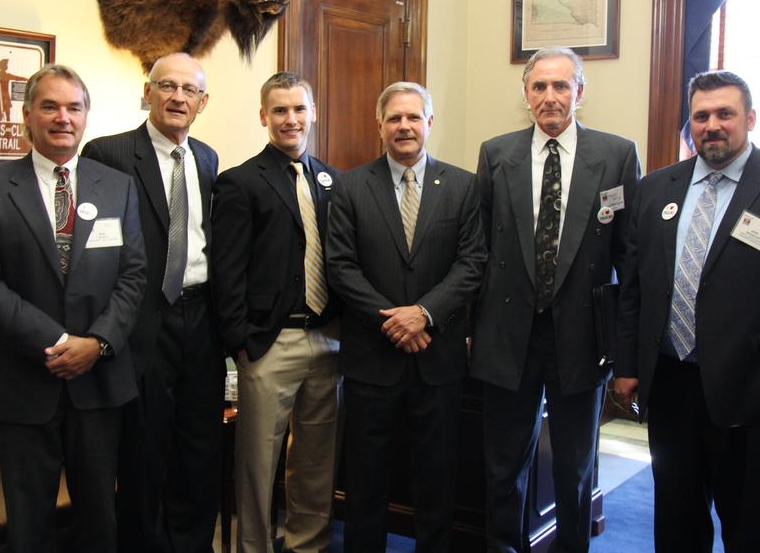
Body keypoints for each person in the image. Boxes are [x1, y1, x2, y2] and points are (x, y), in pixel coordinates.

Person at [613, 70, 760, 553]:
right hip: (673, 386)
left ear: (750, 119)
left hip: (756, 392)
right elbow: (635, 288)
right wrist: (628, 366)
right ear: (689, 125)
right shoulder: (656, 189)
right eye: (700, 116)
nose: (712, 125)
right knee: (676, 519)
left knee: (753, 526)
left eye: (725, 114)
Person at [0, 64, 146, 553]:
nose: (63, 117)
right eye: (50, 106)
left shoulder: (116, 186)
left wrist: (98, 343)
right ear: (27, 116)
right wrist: (61, 343)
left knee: (100, 518)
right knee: (29, 523)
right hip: (22, 380)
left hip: (100, 381)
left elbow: (133, 275)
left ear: (86, 118)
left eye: (74, 107)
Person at [472, 47, 641, 552]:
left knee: (574, 468)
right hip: (508, 336)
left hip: (582, 337)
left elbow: (630, 257)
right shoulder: (495, 154)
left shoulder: (616, 154)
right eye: (540, 87)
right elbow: (478, 250)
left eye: (561, 86)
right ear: (526, 94)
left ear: (580, 93)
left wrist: (626, 348)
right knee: (504, 467)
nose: (550, 96)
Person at [326, 81, 487, 553]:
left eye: (413, 117)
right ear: (379, 125)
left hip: (438, 361)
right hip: (371, 363)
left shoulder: (462, 186)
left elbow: (472, 262)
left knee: (437, 477)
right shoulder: (351, 185)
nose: (404, 127)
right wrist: (393, 322)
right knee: (366, 479)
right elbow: (340, 266)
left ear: (429, 123)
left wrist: (424, 314)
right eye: (394, 118)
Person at [82, 52, 224, 553]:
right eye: (167, 86)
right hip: (142, 320)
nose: (177, 98)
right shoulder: (109, 153)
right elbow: (94, 248)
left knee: (198, 445)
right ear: (148, 92)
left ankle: (190, 543)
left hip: (201, 318)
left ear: (202, 102)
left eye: (189, 91)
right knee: (144, 449)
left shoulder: (207, 158)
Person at [211, 72, 341, 553]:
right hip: (269, 343)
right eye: (280, 110)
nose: (291, 119)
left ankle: (308, 543)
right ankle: (253, 546)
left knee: (316, 460)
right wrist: (241, 341)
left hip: (327, 340)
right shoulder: (240, 182)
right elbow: (227, 273)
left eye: (299, 109)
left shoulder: (331, 180)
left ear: (314, 112)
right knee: (257, 462)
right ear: (264, 116)